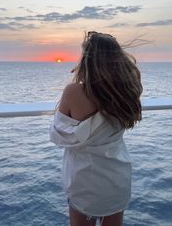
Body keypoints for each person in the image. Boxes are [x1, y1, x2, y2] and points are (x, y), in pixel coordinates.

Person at [50, 31, 143, 226]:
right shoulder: (126, 92)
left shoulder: (74, 92)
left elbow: (58, 134)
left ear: (87, 61)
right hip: (118, 176)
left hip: (85, 181)